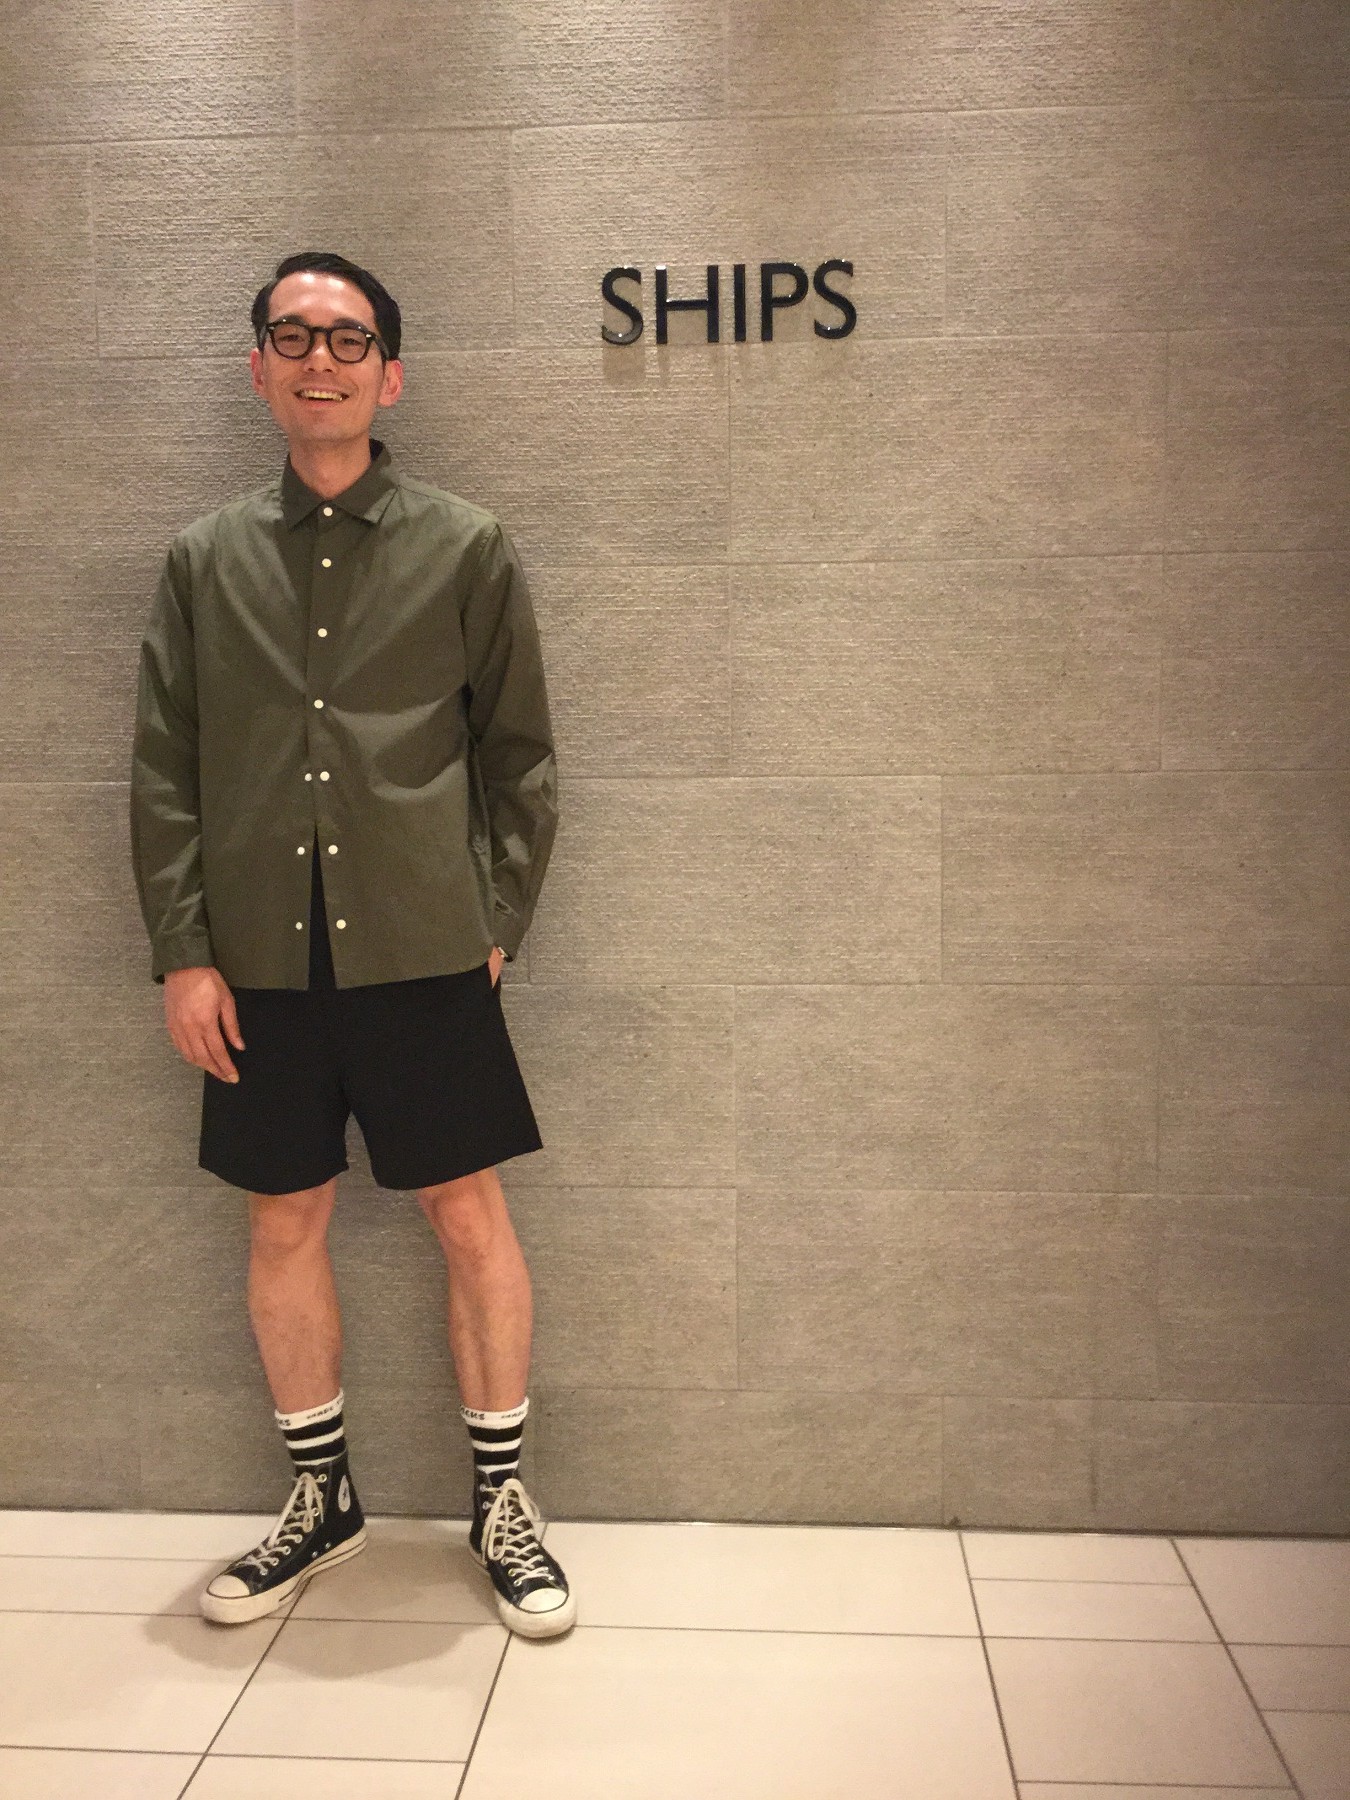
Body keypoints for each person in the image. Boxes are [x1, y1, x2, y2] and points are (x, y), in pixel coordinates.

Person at [128, 249, 573, 1640]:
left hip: (426, 950)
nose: (319, 359)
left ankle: (502, 1503)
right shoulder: (203, 562)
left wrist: (491, 922)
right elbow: (164, 769)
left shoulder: (466, 547)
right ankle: (321, 1502)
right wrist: (184, 950)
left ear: (392, 375)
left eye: (348, 338)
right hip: (257, 963)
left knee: (467, 1214)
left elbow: (520, 757)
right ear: (257, 367)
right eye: (293, 336)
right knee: (284, 1218)